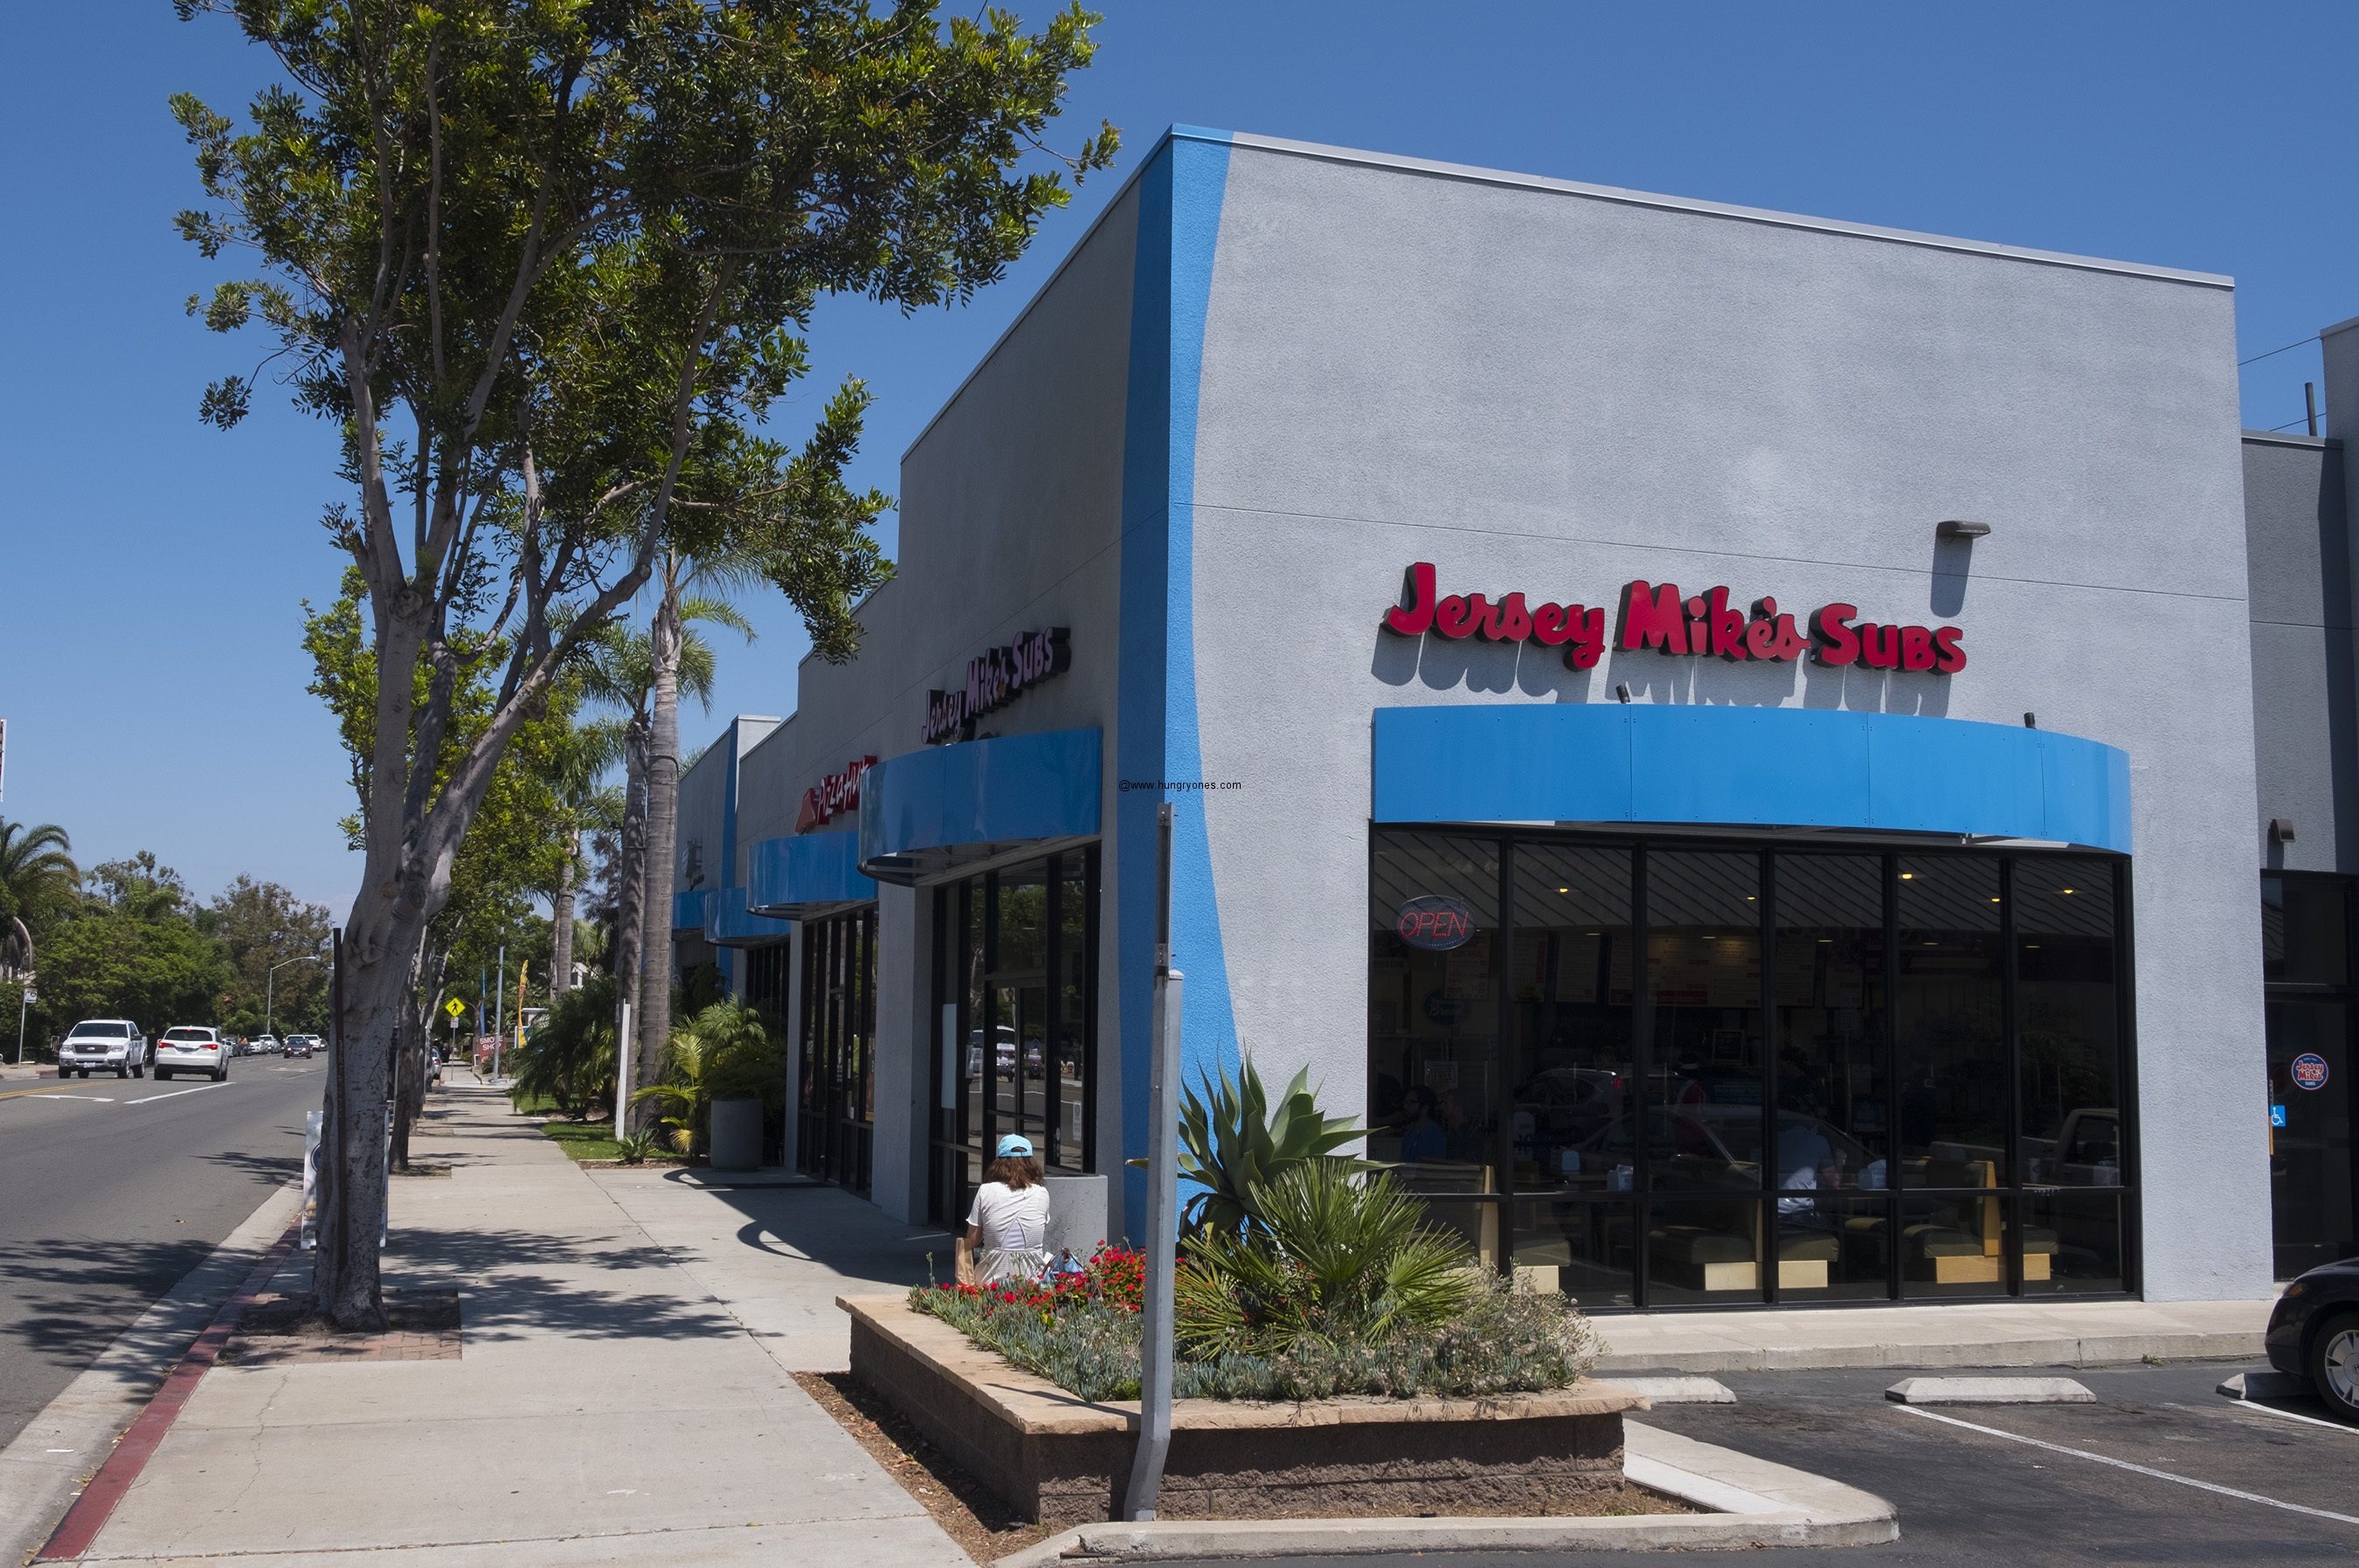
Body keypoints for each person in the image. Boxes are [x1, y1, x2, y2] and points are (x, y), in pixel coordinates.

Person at [961, 1134, 1055, 1286]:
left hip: (990, 1280)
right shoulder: (1041, 1193)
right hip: (1032, 1282)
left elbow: (972, 1240)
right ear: (1031, 1163)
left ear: (999, 1163)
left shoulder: (986, 1191)